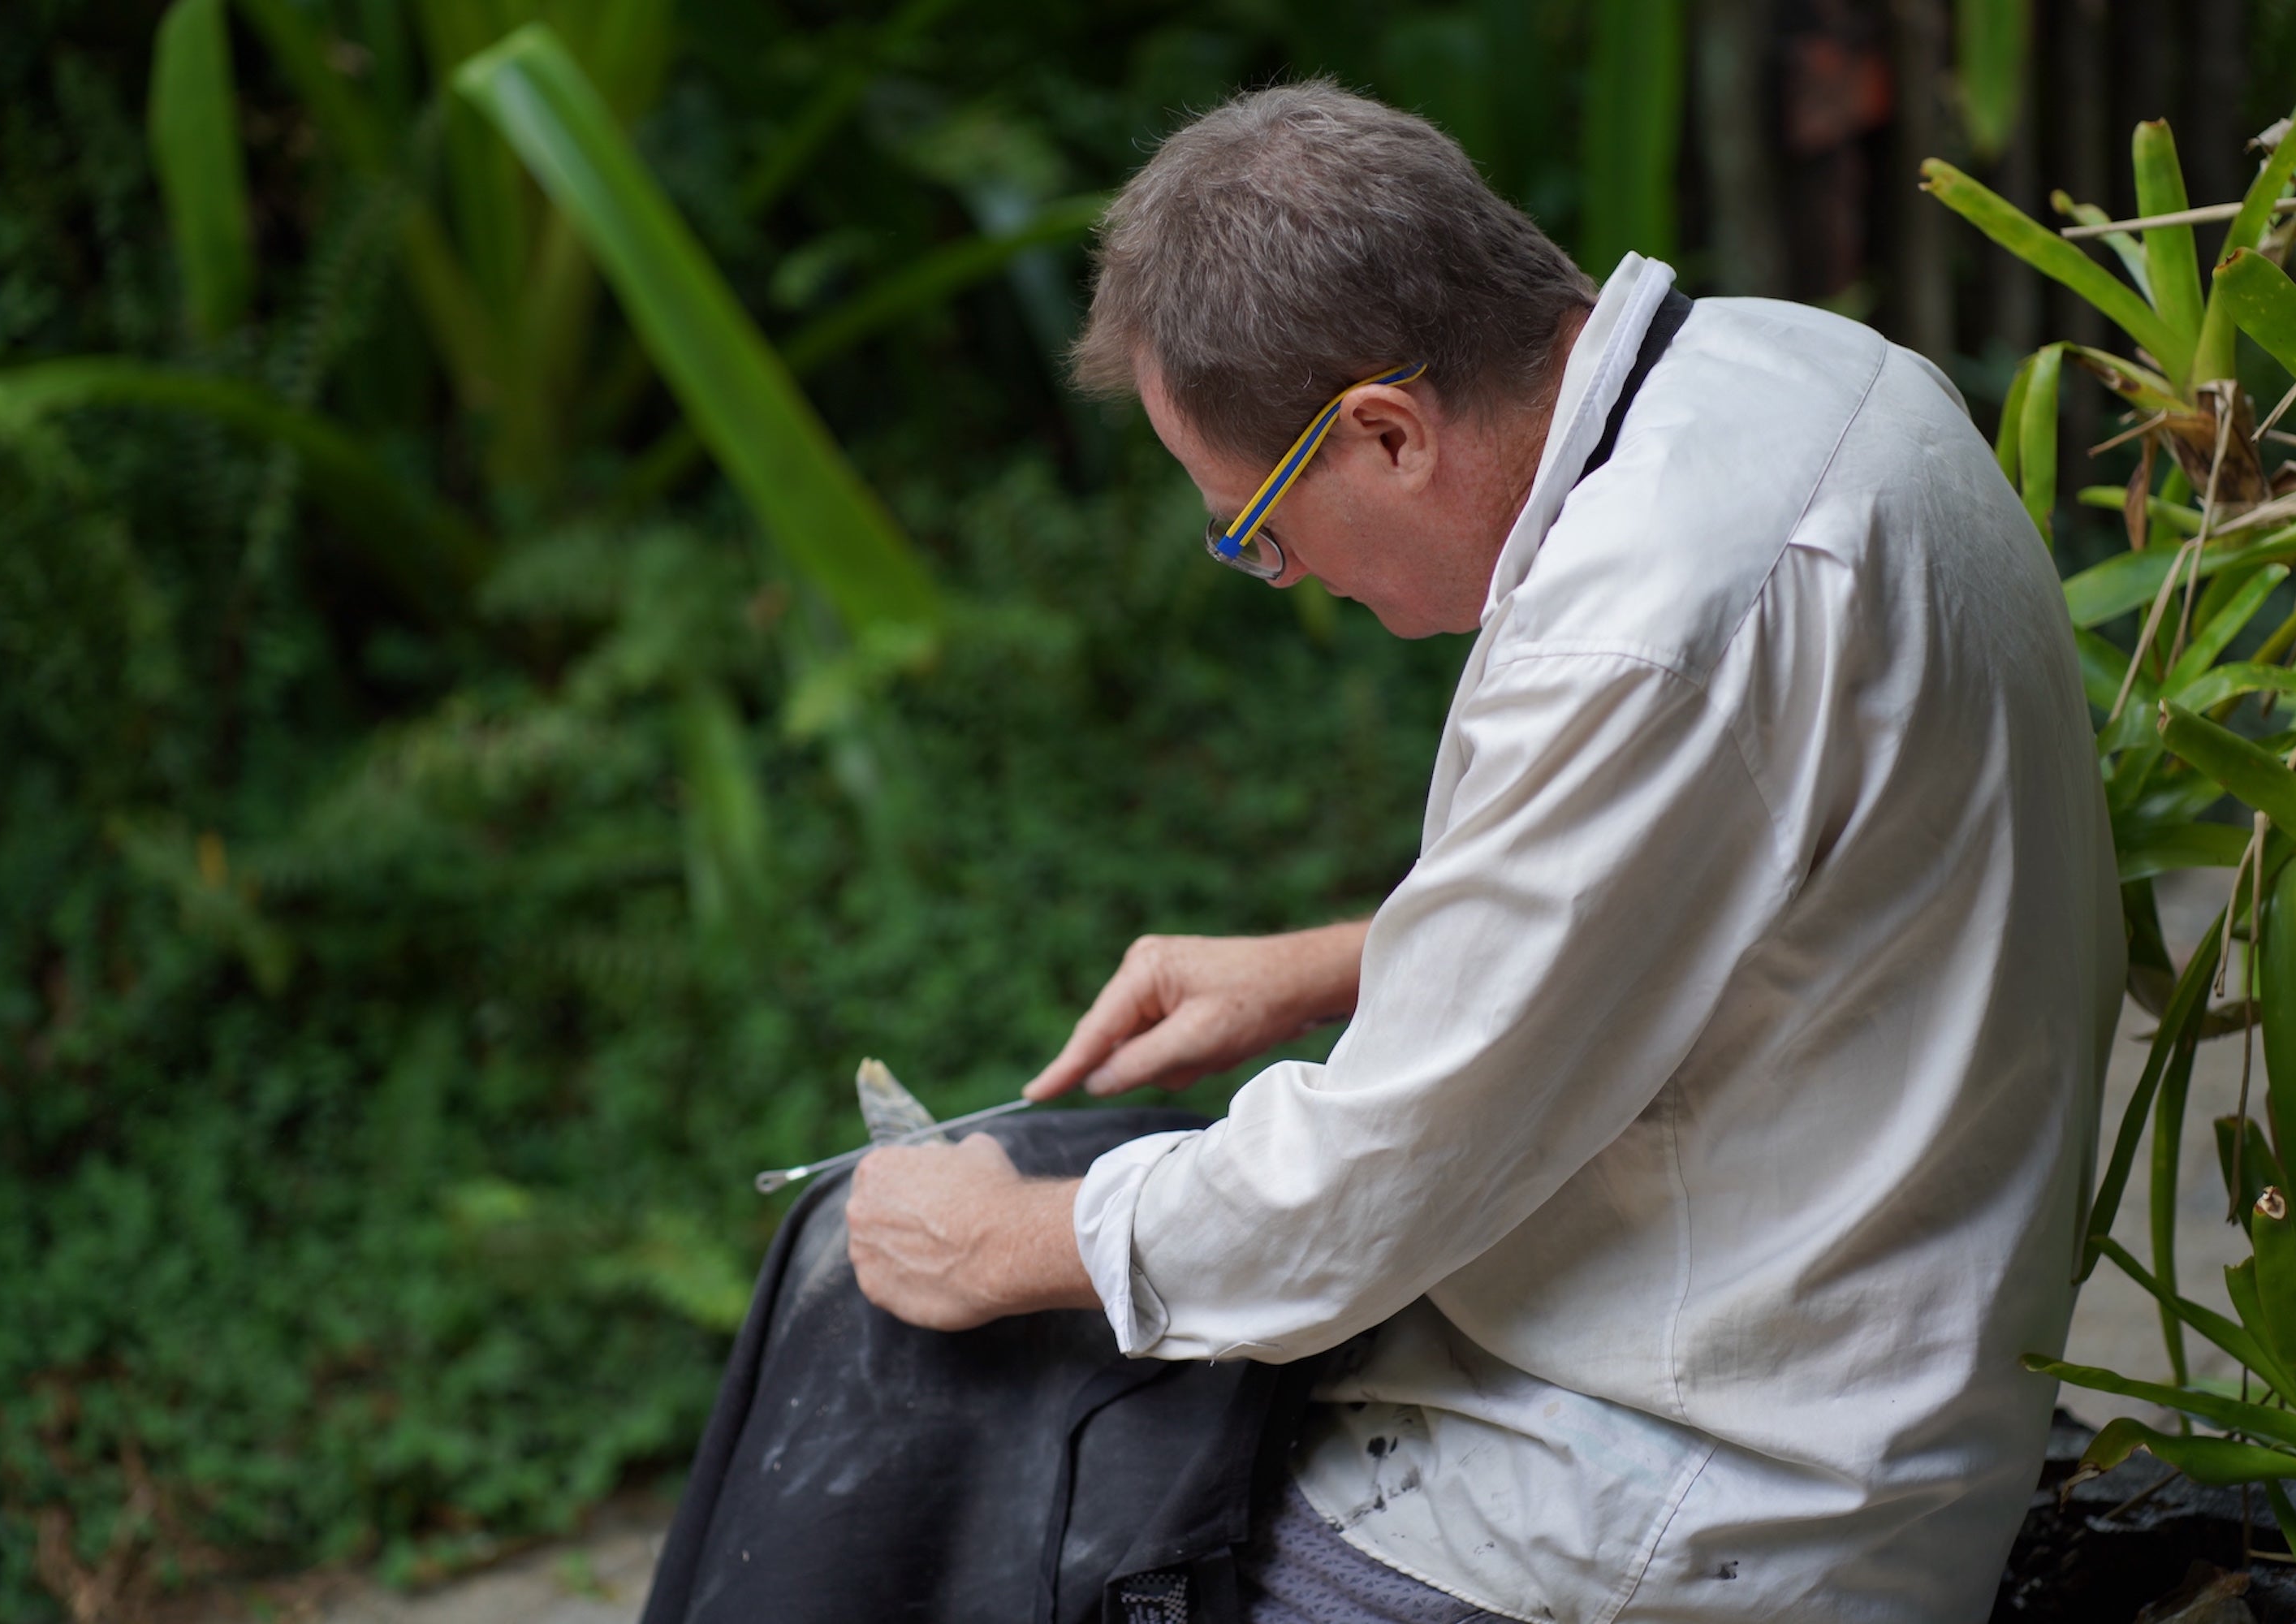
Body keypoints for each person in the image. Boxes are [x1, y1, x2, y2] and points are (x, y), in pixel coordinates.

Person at [674, 80, 2121, 1624]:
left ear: (1384, 430)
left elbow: (1360, 1196)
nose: (1277, 575)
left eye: (1257, 529)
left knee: (961, 1432)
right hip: (1813, 1337)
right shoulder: (1804, 376)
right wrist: (1336, 967)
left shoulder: (1639, 629)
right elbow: (1764, 892)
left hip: (1698, 1505)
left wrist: (1004, 1242)